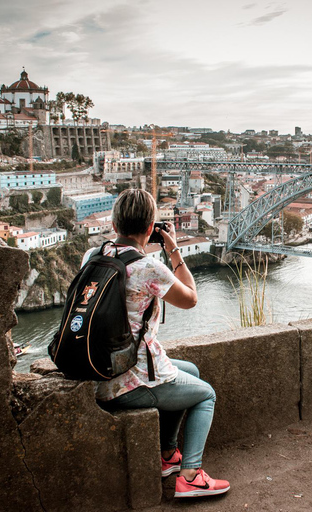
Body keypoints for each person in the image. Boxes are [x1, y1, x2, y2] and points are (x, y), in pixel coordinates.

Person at [89, 188, 229, 499]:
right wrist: (174, 249)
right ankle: (191, 475)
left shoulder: (94, 256)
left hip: (99, 369)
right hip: (129, 382)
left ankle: (168, 455)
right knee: (205, 394)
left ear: (114, 225)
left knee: (189, 369)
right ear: (152, 227)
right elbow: (191, 299)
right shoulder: (148, 268)